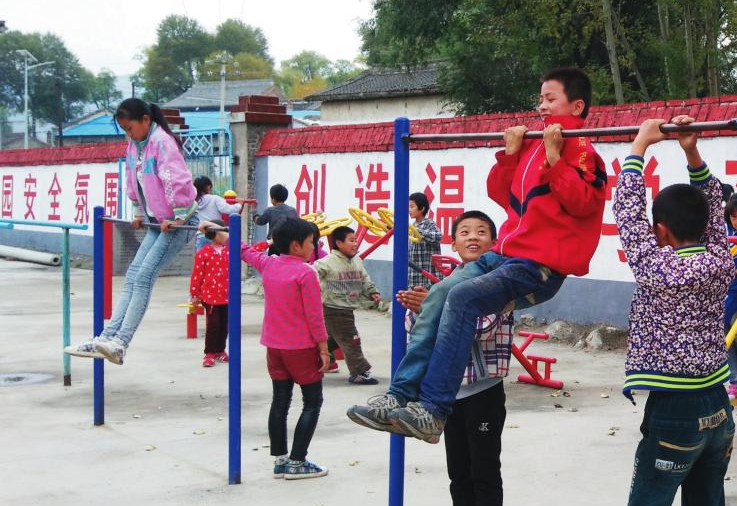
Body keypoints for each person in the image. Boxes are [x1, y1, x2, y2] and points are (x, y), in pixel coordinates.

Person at [347, 66, 606, 443]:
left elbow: (583, 202)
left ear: (577, 105)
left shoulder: (580, 148)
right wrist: (510, 155)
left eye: (551, 99)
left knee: (463, 297)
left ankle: (432, 410)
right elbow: (502, 195)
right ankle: (399, 395)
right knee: (439, 293)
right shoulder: (535, 145)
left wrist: (555, 159)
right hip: (506, 254)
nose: (542, 106)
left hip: (539, 266)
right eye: (541, 98)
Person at [614, 115, 737, 506]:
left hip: (674, 412)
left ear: (661, 230)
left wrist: (639, 147)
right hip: (717, 406)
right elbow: (713, 207)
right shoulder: (720, 258)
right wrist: (691, 152)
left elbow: (628, 213)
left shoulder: (655, 266)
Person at [397, 210, 512, 506]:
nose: (473, 237)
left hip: (483, 392)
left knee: (483, 472)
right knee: (458, 472)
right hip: (450, 395)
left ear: (494, 243)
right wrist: (421, 309)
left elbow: (479, 329)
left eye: (481, 231)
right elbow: (421, 333)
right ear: (453, 242)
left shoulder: (499, 284)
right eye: (464, 231)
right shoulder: (446, 285)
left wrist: (434, 306)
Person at [65, 99, 197, 365]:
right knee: (132, 276)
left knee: (144, 277)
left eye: (130, 128)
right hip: (156, 222)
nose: (129, 134)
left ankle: (121, 343)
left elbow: (175, 177)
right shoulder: (135, 146)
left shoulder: (162, 142)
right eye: (125, 130)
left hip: (179, 221)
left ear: (146, 120)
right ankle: (106, 337)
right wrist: (138, 211)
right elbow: (133, 180)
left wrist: (179, 213)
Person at [201, 216, 331, 479]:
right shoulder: (306, 273)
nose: (313, 247)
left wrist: (212, 229)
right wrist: (324, 349)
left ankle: (280, 460)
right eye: (311, 242)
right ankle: (297, 461)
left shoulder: (269, 264)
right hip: (301, 348)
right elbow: (315, 316)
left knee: (280, 401)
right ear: (296, 245)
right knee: (312, 402)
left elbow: (242, 249)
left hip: (274, 347)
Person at [313, 225, 382, 385]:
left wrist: (372, 291)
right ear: (339, 243)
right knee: (352, 340)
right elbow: (310, 275)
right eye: (351, 240)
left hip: (347, 309)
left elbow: (365, 279)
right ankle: (359, 372)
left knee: (334, 340)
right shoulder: (326, 263)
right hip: (333, 308)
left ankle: (308, 357)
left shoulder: (357, 261)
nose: (355, 244)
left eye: (356, 240)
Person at [189, 228, 231, 367]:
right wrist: (195, 294)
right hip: (210, 296)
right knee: (213, 325)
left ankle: (220, 350)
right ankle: (209, 353)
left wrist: (268, 243)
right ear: (215, 234)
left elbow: (250, 251)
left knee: (224, 325)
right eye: (223, 233)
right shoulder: (203, 253)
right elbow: (197, 274)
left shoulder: (230, 251)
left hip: (227, 296)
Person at [723, 192, 737, 404]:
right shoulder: (727, 236)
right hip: (724, 295)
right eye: (734, 216)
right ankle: (735, 380)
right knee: (724, 337)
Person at [192, 175, 242, 251]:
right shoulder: (214, 199)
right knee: (217, 258)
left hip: (200, 235)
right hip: (215, 235)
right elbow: (228, 209)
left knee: (201, 258)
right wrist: (239, 204)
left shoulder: (193, 202)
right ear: (208, 186)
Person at [408, 192, 442, 289]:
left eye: (412, 207)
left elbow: (438, 236)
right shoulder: (412, 226)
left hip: (429, 275)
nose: (409, 210)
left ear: (422, 208)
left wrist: (418, 232)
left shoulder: (429, 223)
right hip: (415, 274)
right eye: (409, 207)